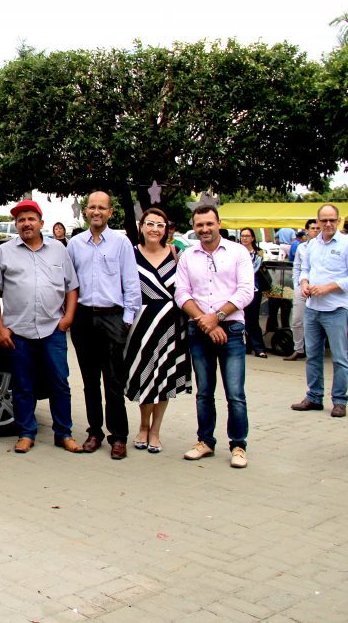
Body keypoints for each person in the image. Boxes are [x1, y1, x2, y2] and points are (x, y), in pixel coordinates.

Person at [0, 199, 82, 454]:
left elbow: (72, 286)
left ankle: (64, 433)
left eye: (31, 218)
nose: (26, 223)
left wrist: (68, 317)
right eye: (21, 220)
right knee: (22, 384)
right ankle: (26, 433)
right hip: (19, 331)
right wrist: (0, 327)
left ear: (41, 222)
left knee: (59, 381)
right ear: (16, 225)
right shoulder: (4, 252)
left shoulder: (59, 250)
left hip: (53, 330)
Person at [174, 205, 253, 469]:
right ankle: (205, 441)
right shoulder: (187, 256)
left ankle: (238, 445)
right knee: (204, 391)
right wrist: (205, 322)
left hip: (230, 329)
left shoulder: (238, 252)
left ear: (219, 223)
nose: (205, 229)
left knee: (235, 393)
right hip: (199, 330)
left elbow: (246, 292)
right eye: (199, 225)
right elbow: (182, 293)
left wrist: (216, 317)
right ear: (194, 227)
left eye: (209, 224)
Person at [68, 191, 141, 460]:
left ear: (111, 212)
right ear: (86, 211)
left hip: (113, 317)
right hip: (84, 318)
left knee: (113, 381)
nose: (96, 212)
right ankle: (94, 432)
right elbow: (70, 284)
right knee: (89, 381)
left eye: (102, 208)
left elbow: (131, 284)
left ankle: (118, 437)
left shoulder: (121, 244)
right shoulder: (75, 245)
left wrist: (126, 321)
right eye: (92, 207)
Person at [124, 208, 191, 454]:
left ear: (167, 229)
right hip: (141, 326)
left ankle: (155, 431)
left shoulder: (177, 254)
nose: (155, 229)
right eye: (150, 223)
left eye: (160, 225)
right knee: (145, 376)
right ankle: (143, 426)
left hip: (172, 326)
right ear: (141, 226)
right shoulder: (130, 254)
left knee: (164, 378)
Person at [291, 204, 348, 418]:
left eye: (332, 220)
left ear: (339, 220)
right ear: (318, 221)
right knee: (313, 355)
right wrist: (304, 283)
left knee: (339, 358)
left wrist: (327, 287)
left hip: (336, 309)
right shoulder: (312, 245)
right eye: (324, 220)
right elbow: (305, 269)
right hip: (313, 308)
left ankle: (340, 401)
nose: (328, 224)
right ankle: (314, 397)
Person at [284, 219, 319, 361]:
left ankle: (314, 351)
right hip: (301, 287)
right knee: (297, 320)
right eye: (313, 228)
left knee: (316, 322)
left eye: (318, 228)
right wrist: (297, 284)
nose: (316, 231)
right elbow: (297, 267)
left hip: (318, 289)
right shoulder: (301, 247)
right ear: (307, 231)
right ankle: (298, 349)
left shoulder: (324, 247)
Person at [239, 228, 268, 358]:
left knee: (253, 319)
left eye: (247, 236)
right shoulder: (236, 251)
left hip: (253, 289)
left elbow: (253, 269)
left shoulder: (259, 253)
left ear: (252, 238)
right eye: (242, 236)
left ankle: (258, 347)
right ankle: (246, 346)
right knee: (241, 318)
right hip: (238, 289)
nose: (244, 238)